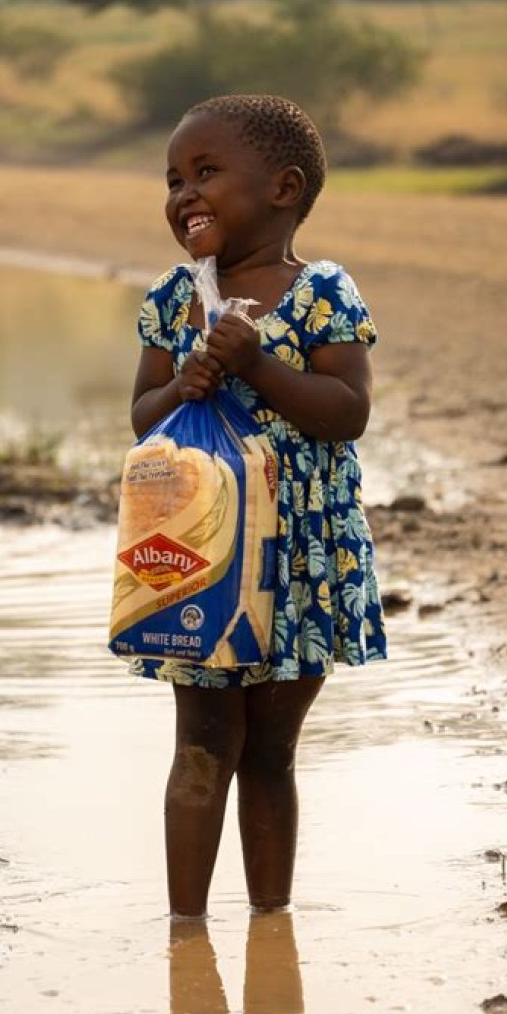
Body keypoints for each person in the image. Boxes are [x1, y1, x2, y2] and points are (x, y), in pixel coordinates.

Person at [128, 94, 387, 919]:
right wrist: (184, 382)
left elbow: (347, 411)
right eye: (173, 179)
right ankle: (187, 935)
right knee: (202, 742)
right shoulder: (175, 298)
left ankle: (271, 919)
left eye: (206, 173)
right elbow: (142, 418)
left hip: (304, 557)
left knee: (270, 750)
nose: (183, 194)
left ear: (282, 188)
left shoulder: (323, 294)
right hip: (201, 558)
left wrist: (255, 365)